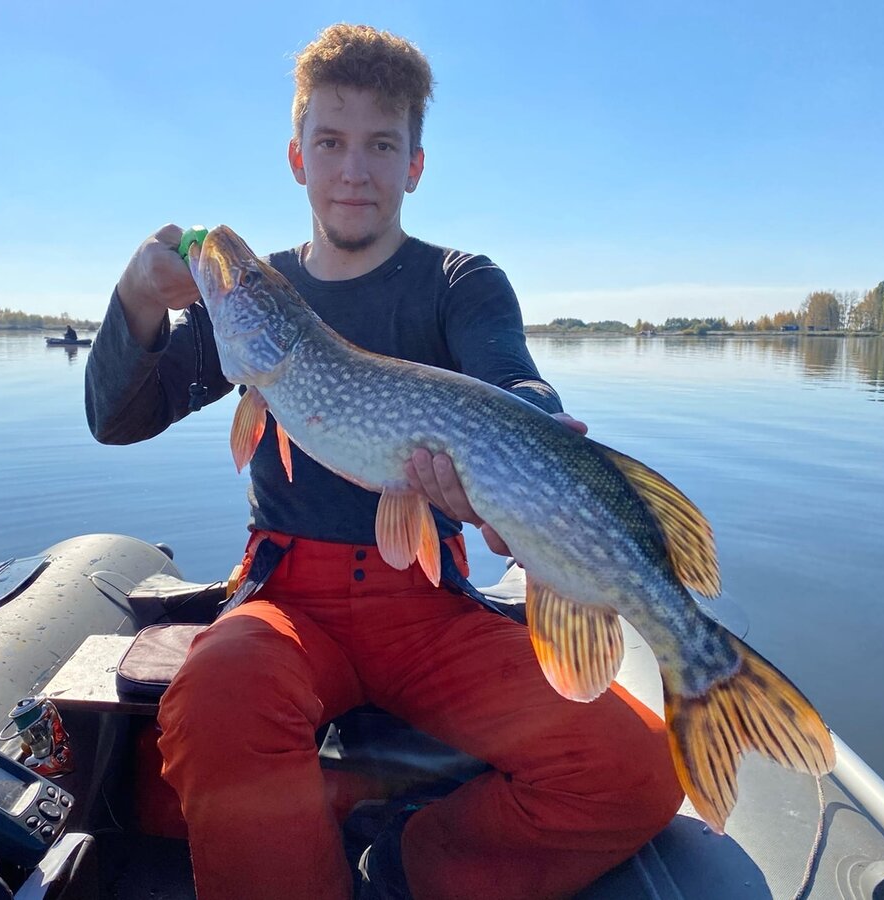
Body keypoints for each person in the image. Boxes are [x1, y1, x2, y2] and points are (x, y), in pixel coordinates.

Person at [86, 23, 682, 900]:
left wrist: (537, 451)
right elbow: (119, 418)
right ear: (298, 157)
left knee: (640, 770)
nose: (354, 170)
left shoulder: (460, 281)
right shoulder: (256, 313)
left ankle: (411, 857)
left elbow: (513, 380)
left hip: (429, 607)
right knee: (216, 693)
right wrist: (137, 298)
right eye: (330, 142)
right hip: (289, 600)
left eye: (380, 144)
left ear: (415, 163)